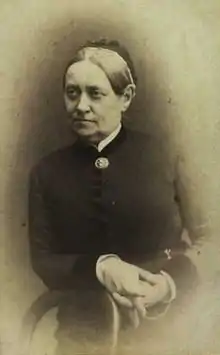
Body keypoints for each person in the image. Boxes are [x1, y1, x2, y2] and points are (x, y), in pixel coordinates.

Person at [28, 39, 205, 354]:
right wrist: (101, 267)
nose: (81, 105)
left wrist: (168, 284)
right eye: (72, 93)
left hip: (168, 336)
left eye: (95, 93)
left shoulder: (166, 157)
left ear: (126, 97)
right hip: (80, 339)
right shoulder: (47, 172)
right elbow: (44, 260)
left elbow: (213, 241)